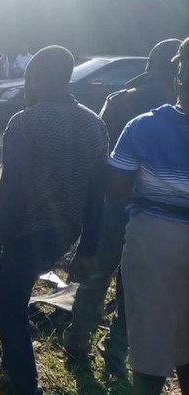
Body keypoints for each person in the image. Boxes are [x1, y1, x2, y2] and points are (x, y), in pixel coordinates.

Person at [0, 46, 108, 395]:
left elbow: (10, 193)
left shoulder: (24, 123)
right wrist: (87, 249)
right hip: (64, 234)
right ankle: (14, 362)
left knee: (6, 309)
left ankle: (27, 387)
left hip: (26, 232)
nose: (27, 82)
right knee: (19, 295)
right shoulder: (95, 124)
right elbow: (96, 195)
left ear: (40, 76)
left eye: (30, 75)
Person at [62, 38, 182, 377]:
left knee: (98, 274)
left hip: (115, 204)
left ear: (149, 64)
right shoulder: (178, 105)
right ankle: (116, 353)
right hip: (158, 217)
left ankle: (78, 341)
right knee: (135, 286)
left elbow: (97, 158)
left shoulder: (123, 103)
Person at [106, 37, 189, 395]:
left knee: (151, 336)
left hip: (155, 237)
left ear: (177, 83)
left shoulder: (143, 126)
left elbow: (117, 186)